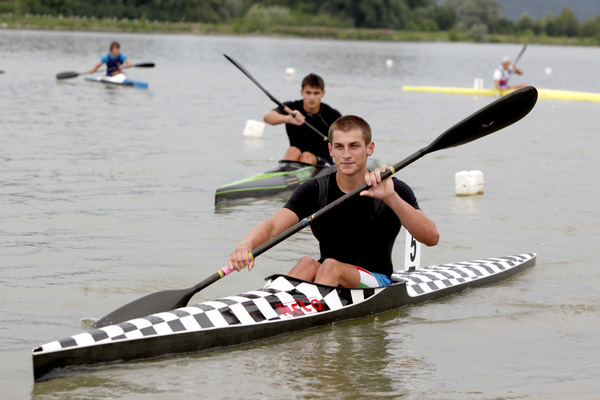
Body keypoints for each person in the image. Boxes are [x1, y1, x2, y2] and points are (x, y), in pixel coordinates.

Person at [228, 115, 439, 288]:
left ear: (370, 148)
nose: (346, 155)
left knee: (330, 266)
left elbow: (431, 237)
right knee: (306, 264)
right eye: (339, 147)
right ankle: (273, 309)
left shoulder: (393, 188)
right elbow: (273, 226)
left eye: (354, 146)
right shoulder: (315, 190)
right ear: (330, 150)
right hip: (327, 275)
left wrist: (390, 198)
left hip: (376, 281)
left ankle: (305, 324)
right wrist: (245, 245)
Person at [264, 73, 341, 166]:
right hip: (297, 158)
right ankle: (285, 176)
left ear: (323, 93)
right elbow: (267, 117)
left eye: (316, 93)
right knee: (293, 150)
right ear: (302, 92)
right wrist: (288, 119)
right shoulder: (292, 108)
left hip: (324, 163)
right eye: (308, 93)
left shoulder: (332, 114)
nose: (312, 97)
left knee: (306, 156)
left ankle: (293, 177)